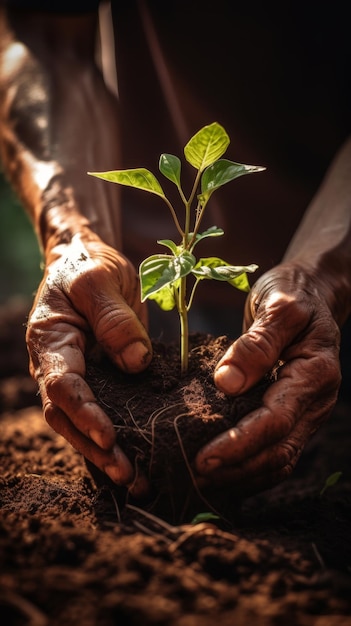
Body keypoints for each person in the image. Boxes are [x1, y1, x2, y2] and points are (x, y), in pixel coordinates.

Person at [0, 0, 350, 499]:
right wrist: (71, 238)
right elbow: (45, 35)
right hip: (139, 286)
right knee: (135, 366)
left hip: (327, 291)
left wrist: (327, 271)